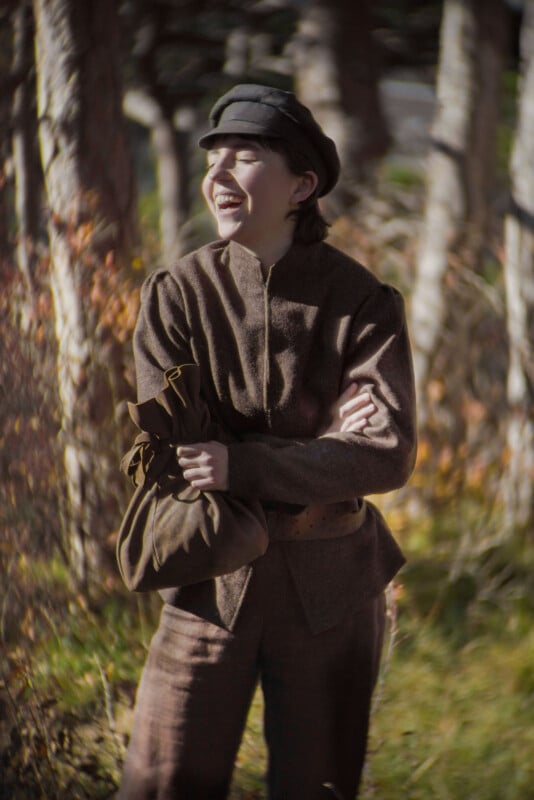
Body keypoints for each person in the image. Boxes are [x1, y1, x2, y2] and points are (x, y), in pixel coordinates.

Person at [118, 83, 417, 800]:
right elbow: (176, 450)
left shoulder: (364, 302)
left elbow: (387, 454)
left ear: (302, 185)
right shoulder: (176, 294)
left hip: (333, 589)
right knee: (164, 785)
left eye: (243, 158)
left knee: (318, 788)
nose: (217, 177)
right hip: (209, 577)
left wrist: (242, 459)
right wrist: (323, 447)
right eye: (212, 160)